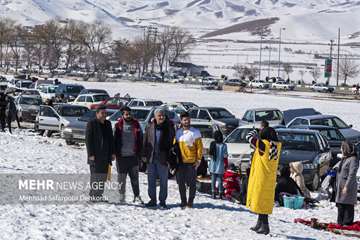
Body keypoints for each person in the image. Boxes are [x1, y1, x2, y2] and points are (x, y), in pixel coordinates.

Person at [246, 124, 282, 235]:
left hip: (261, 178)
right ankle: (259, 223)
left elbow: (248, 137)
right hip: (269, 179)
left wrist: (255, 131)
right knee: (264, 202)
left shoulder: (263, 145)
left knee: (261, 202)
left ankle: (265, 226)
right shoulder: (275, 146)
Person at [143, 108, 175, 209]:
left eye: (163, 115)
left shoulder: (169, 128)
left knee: (163, 181)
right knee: (151, 180)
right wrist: (143, 155)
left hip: (163, 158)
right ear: (155, 116)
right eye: (159, 115)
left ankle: (162, 201)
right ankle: (152, 200)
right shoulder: (149, 126)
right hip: (151, 158)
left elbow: (172, 143)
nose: (161, 117)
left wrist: (170, 157)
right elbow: (145, 141)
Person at [114, 106, 143, 204]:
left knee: (135, 179)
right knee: (121, 179)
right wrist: (114, 153)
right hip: (121, 157)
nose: (128, 115)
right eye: (126, 114)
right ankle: (121, 197)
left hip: (133, 157)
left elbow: (140, 139)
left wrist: (140, 153)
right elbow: (114, 140)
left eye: (130, 113)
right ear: (122, 115)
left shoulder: (136, 124)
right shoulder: (118, 125)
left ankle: (137, 196)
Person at [85, 105, 115, 202]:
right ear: (97, 114)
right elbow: (88, 140)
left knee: (102, 177)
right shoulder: (92, 123)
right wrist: (91, 154)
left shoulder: (108, 124)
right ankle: (93, 195)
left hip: (106, 156)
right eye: (102, 113)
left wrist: (112, 153)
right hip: (95, 156)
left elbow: (111, 139)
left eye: (105, 113)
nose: (104, 115)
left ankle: (99, 195)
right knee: (95, 176)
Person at [175, 111, 203, 209]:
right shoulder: (178, 132)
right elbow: (175, 147)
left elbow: (200, 147)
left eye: (188, 119)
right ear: (181, 121)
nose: (186, 121)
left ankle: (190, 201)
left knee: (192, 184)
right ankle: (183, 201)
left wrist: (198, 160)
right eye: (184, 120)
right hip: (181, 163)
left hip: (192, 162)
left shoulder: (195, 132)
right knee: (181, 183)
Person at [335, 141, 359, 226]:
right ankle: (340, 223)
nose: (340, 149)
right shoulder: (345, 158)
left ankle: (347, 223)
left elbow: (352, 174)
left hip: (348, 186)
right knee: (341, 204)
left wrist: (346, 186)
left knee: (348, 204)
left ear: (346, 149)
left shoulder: (353, 159)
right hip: (341, 185)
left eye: (342, 147)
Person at [209, 130, 228, 199]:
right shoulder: (224, 145)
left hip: (213, 164)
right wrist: (226, 164)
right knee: (220, 179)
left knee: (213, 179)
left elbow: (210, 155)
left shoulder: (212, 144)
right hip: (221, 164)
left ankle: (213, 193)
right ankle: (220, 193)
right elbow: (225, 156)